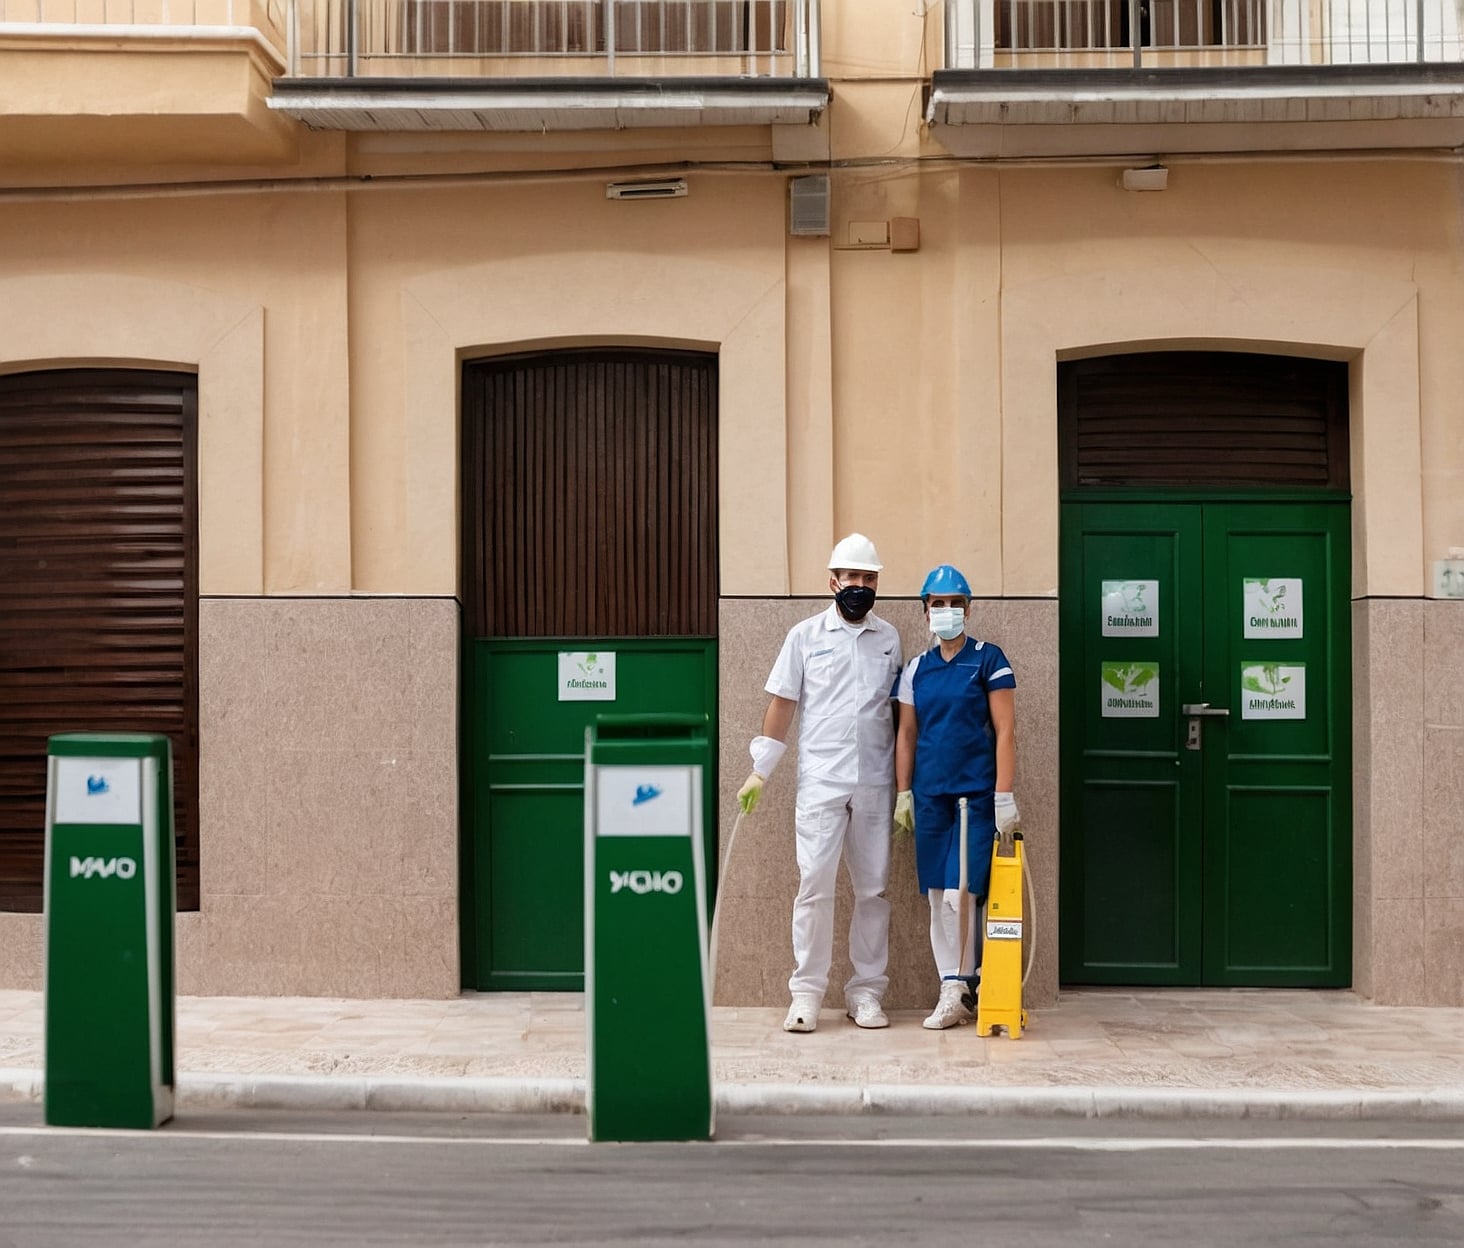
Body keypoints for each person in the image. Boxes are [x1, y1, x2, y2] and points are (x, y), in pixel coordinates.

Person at [737, 534, 903, 1032]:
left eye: (868, 579)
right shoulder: (804, 637)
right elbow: (782, 703)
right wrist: (760, 769)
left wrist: (907, 786)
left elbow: (900, 712)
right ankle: (806, 995)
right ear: (833, 581)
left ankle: (866, 993)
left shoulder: (890, 638)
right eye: (852, 577)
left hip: (875, 780)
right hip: (821, 782)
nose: (860, 586)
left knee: (873, 890)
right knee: (814, 887)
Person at [893, 564, 1019, 1030]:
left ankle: (962, 985)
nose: (946, 612)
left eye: (955, 604)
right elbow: (906, 733)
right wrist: (903, 791)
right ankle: (953, 986)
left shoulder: (988, 659)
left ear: (968, 609)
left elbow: (1005, 730)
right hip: (929, 797)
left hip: (973, 796)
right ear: (925, 611)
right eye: (937, 604)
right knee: (934, 896)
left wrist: (1003, 794)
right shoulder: (916, 670)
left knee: (960, 894)